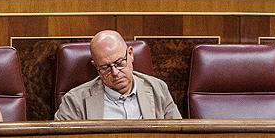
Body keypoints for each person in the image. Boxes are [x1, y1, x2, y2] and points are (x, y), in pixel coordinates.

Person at [54, 30, 182, 120]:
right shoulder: (74, 101)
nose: (115, 73)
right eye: (105, 67)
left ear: (130, 54)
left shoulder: (158, 89)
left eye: (119, 63)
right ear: (96, 66)